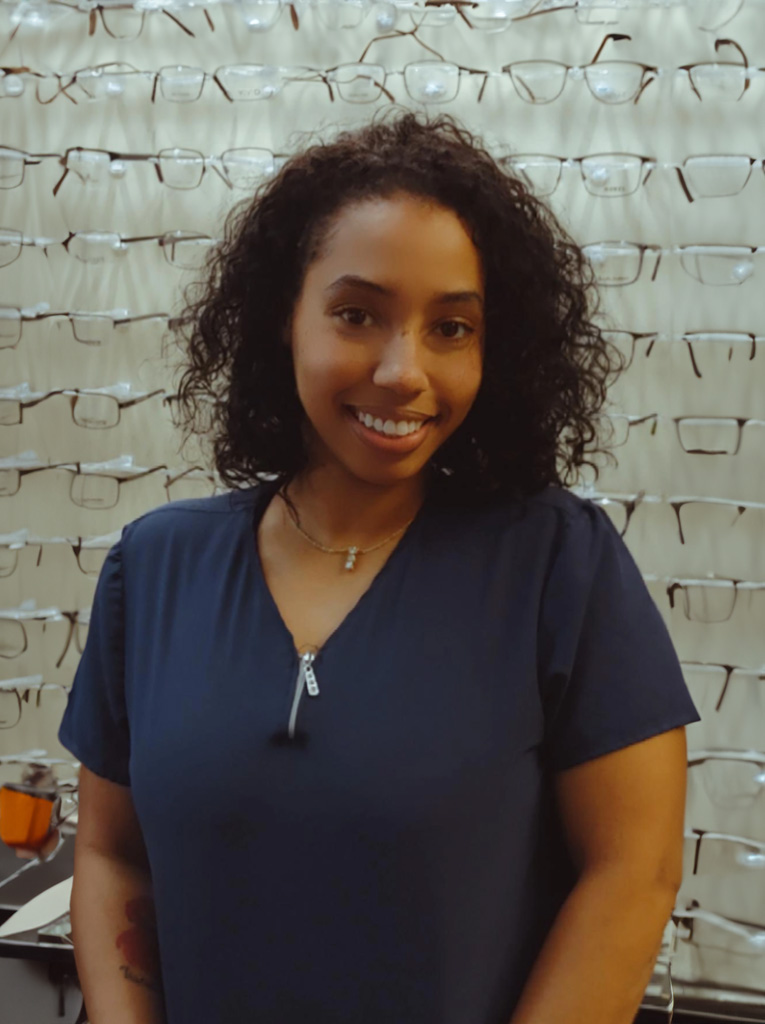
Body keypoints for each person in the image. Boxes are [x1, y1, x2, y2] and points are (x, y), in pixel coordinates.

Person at [55, 109, 700, 1024]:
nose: (402, 371)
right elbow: (113, 855)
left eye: (451, 328)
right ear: (285, 317)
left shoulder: (557, 565)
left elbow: (632, 872)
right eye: (357, 314)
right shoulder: (159, 566)